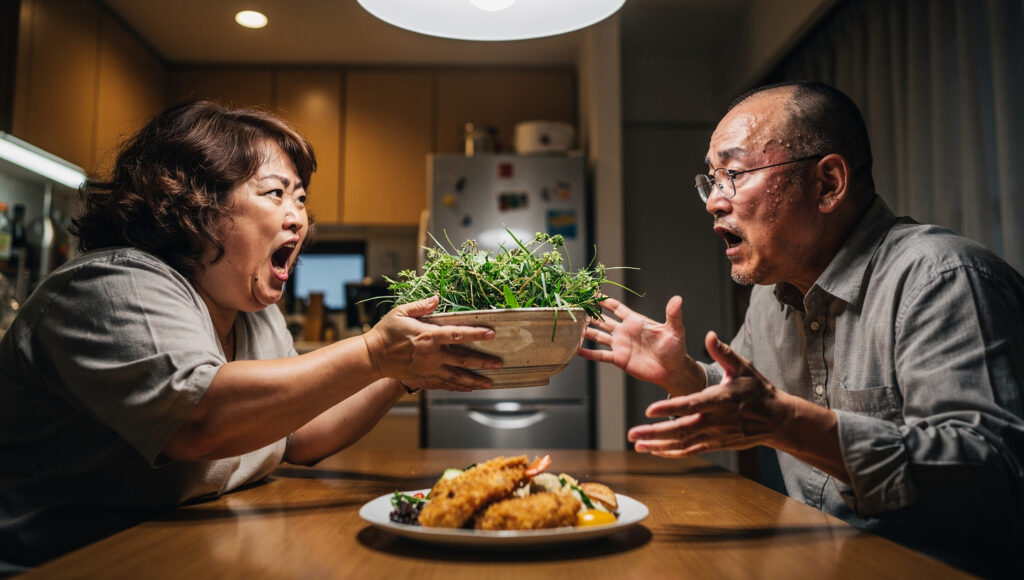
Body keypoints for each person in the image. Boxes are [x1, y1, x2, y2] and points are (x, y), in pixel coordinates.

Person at [0, 100, 500, 572]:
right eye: (275, 193)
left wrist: (401, 373)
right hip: (64, 563)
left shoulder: (250, 310)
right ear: (195, 205)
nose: (299, 217)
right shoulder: (110, 285)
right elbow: (200, 420)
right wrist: (374, 351)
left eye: (301, 198)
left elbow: (298, 435)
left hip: (178, 551)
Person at [579, 81, 1024, 577]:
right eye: (711, 180)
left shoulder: (943, 278)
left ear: (827, 184)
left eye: (733, 173)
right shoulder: (772, 297)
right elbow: (749, 401)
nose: (713, 202)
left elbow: (996, 480)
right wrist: (683, 374)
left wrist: (788, 425)